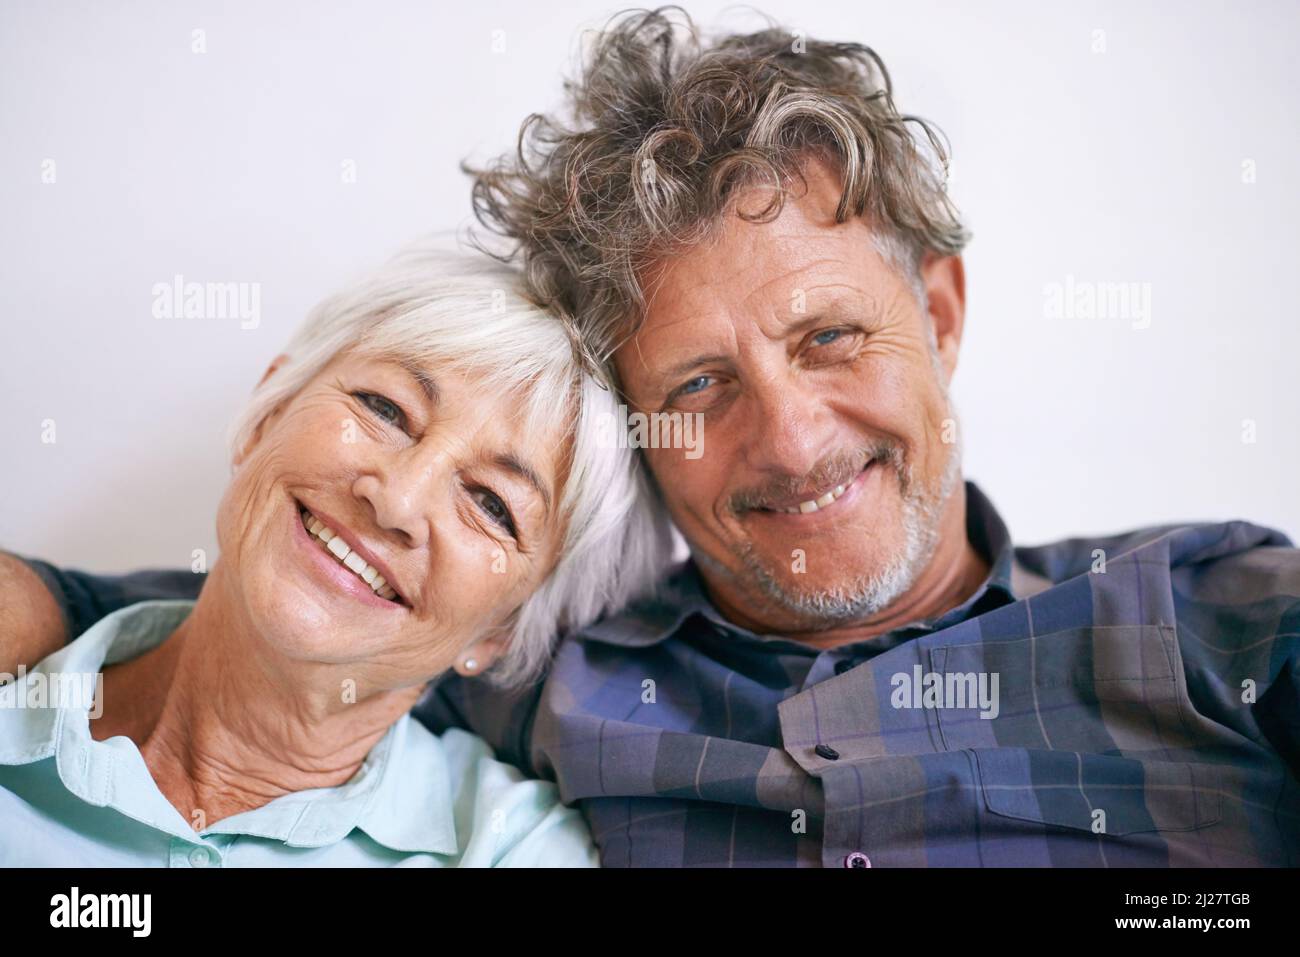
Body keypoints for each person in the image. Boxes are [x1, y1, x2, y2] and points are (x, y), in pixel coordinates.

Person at [5, 9, 1298, 867]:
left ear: (941, 313)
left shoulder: (1212, 622)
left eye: (830, 340)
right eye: (700, 383)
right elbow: (274, 603)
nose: (790, 439)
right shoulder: (544, 663)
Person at [0, 243, 672, 866]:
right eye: (385, 408)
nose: (398, 501)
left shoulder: (508, 853)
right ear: (267, 416)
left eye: (492, 505)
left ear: (504, 629)